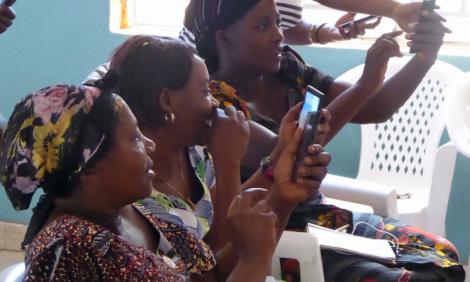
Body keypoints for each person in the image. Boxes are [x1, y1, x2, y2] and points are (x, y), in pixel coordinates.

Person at [188, 0, 465, 281]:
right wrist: (364, 84)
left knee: (443, 254)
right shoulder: (217, 106)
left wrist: (423, 58)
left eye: (277, 22)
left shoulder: (287, 70)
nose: (278, 34)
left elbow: (376, 108)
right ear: (223, 38)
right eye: (262, 26)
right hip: (278, 231)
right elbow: (286, 154)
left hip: (321, 217)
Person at [0, 83, 327, 281]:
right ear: (89, 169)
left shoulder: (132, 211)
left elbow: (208, 276)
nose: (150, 145)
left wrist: (282, 199)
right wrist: (254, 259)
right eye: (134, 140)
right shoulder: (76, 248)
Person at [93, 35, 331, 280]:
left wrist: (282, 150)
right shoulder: (137, 189)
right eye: (205, 91)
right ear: (167, 100)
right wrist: (228, 162)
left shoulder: (193, 153)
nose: (214, 102)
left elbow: (233, 215)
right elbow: (217, 263)